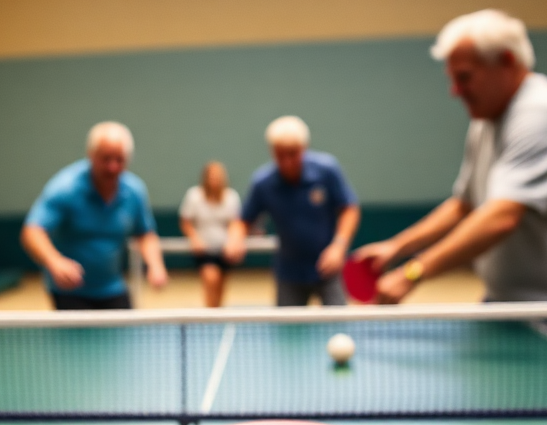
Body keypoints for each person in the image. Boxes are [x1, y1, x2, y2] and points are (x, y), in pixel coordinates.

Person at [353, 9, 547, 304]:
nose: (455, 91)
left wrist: (413, 273)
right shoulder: (486, 118)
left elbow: (501, 217)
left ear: (507, 61)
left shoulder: (541, 113)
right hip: (512, 302)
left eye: (465, 78)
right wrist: (396, 248)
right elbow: (465, 205)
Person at [21, 122, 167, 309]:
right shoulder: (65, 188)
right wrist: (54, 261)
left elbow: (145, 233)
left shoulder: (134, 191)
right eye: (105, 159)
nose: (112, 167)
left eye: (119, 159)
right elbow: (32, 232)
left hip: (113, 287)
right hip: (70, 292)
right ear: (90, 155)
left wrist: (156, 265)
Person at [224, 116, 360, 306]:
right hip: (289, 273)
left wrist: (339, 245)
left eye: (293, 154)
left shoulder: (327, 170)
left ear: (304, 148)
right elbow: (243, 220)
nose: (287, 162)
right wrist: (235, 238)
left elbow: (349, 209)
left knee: (339, 330)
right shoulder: (263, 183)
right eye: (280, 155)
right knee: (287, 333)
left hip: (329, 267)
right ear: (272, 152)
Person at [179, 161, 242, 307]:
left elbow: (235, 224)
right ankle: (209, 316)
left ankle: (216, 316)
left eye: (218, 176)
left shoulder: (231, 197)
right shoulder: (194, 196)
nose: (215, 179)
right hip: (204, 251)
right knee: (210, 278)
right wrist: (194, 239)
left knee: (220, 288)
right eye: (212, 176)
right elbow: (185, 222)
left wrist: (232, 242)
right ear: (205, 177)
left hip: (225, 251)